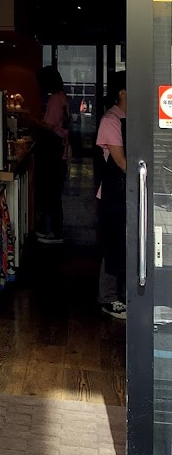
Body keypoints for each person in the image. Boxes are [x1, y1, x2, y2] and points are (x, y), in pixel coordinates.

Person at [96, 73, 127, 321]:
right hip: (114, 193)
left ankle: (126, 294)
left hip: (129, 191)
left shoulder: (131, 118)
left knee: (127, 243)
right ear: (122, 93)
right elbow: (121, 162)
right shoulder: (111, 120)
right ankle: (108, 298)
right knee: (113, 243)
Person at [31, 66, 71, 245]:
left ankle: (54, 232)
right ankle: (54, 230)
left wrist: (31, 119)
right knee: (55, 191)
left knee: (51, 192)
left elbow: (48, 125)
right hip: (61, 148)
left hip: (53, 149)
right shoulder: (63, 97)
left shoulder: (54, 99)